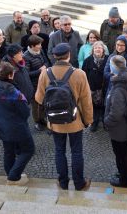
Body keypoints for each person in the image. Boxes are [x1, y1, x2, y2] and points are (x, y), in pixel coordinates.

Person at [35, 43, 93, 191]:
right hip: (76, 120)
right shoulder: (79, 74)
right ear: (69, 55)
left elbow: (39, 99)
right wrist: (88, 121)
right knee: (77, 152)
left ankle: (63, 182)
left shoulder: (45, 73)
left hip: (55, 121)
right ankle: (79, 183)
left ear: (54, 56)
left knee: (59, 151)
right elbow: (86, 101)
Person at [0, 62, 34, 185]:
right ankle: (14, 176)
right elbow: (25, 112)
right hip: (17, 127)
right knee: (28, 150)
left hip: (1, 125)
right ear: (10, 76)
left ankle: (10, 173)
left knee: (8, 151)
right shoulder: (15, 94)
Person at [104, 56, 127, 188]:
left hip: (119, 127)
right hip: (126, 125)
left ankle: (124, 180)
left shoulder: (119, 88)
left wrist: (107, 121)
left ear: (115, 68)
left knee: (121, 154)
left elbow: (116, 112)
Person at [23, 35, 51, 131]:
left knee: (44, 101)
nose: (40, 46)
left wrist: (45, 67)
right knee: (36, 104)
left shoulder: (40, 51)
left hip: (44, 81)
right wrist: (40, 70)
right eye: (38, 44)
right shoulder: (25, 56)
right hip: (34, 85)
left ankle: (43, 118)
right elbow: (27, 73)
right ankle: (37, 121)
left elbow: (47, 62)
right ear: (32, 46)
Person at [82, 41, 108, 132]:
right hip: (92, 88)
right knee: (93, 107)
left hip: (105, 88)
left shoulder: (108, 59)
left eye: (100, 48)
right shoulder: (87, 60)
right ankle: (94, 123)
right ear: (93, 50)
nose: (97, 49)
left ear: (103, 50)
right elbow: (84, 75)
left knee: (105, 106)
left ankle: (106, 123)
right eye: (96, 48)